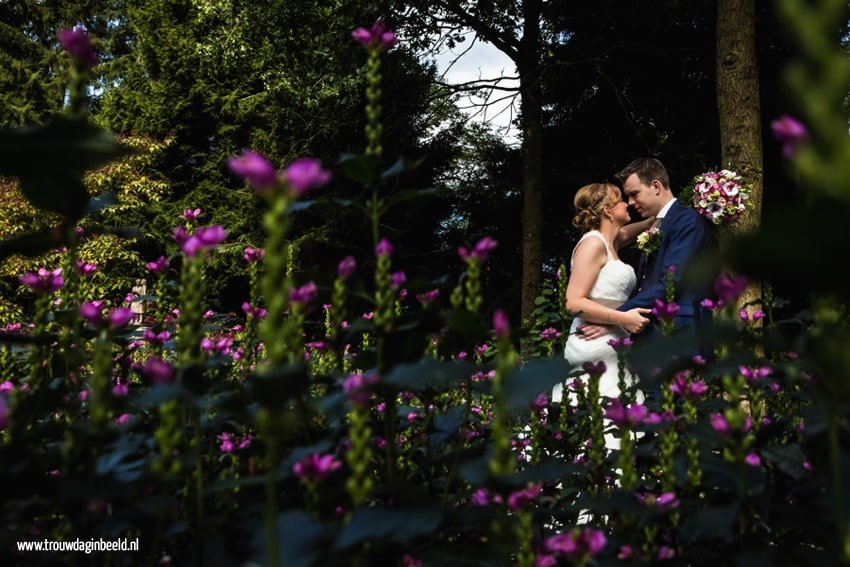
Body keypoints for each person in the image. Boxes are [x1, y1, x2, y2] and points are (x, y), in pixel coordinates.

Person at [578, 158, 714, 362]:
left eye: (634, 194)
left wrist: (615, 318)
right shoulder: (657, 224)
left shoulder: (687, 220)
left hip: (679, 334)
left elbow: (671, 281)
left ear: (656, 186)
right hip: (652, 334)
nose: (630, 203)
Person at [556, 182, 654, 409]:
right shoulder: (592, 244)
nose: (626, 203)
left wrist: (657, 217)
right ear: (607, 211)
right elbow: (572, 302)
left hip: (615, 341)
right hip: (593, 345)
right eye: (619, 199)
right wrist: (623, 319)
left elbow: (638, 228)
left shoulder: (611, 242)